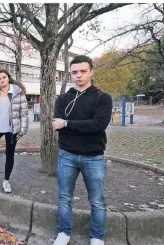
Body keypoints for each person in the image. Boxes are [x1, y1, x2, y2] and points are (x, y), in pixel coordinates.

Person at [52, 55, 112, 245]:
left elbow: (98, 125)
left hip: (93, 157)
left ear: (91, 72)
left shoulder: (102, 98)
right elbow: (56, 124)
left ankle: (96, 237)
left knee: (96, 200)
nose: (78, 76)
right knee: (64, 197)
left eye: (83, 71)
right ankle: (63, 233)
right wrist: (66, 125)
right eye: (74, 72)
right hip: (66, 155)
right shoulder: (63, 98)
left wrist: (67, 124)